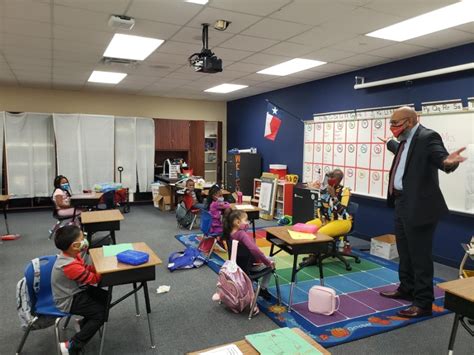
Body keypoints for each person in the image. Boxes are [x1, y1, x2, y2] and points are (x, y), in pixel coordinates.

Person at [379, 106, 467, 318]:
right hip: (401, 204)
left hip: (420, 207)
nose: (393, 128)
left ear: (410, 121)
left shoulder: (428, 136)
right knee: (405, 252)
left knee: (420, 257)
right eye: (390, 124)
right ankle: (406, 288)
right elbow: (409, 159)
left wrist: (449, 162)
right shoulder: (403, 140)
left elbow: (441, 159)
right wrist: (390, 144)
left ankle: (423, 303)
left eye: (396, 124)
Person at [52, 225, 107, 354]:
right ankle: (72, 345)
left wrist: (97, 267)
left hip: (75, 291)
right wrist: (104, 268)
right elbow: (93, 279)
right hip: (68, 300)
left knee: (105, 297)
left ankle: (83, 324)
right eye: (82, 238)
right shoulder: (70, 265)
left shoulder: (73, 255)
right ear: (75, 246)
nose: (85, 240)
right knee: (100, 314)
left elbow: (85, 268)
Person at [300, 169, 352, 267]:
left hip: (343, 221)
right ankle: (313, 253)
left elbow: (342, 212)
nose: (330, 180)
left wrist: (333, 196)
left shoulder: (345, 191)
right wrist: (322, 218)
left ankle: (314, 257)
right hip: (328, 219)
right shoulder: (324, 189)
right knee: (307, 226)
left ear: (339, 180)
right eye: (330, 177)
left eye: (333, 178)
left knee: (320, 233)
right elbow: (320, 206)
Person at [223, 210, 275, 305]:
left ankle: (256, 286)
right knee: (272, 260)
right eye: (246, 220)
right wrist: (267, 262)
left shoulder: (228, 233)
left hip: (235, 268)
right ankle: (263, 288)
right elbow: (255, 250)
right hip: (247, 268)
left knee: (266, 259)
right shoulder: (241, 234)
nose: (248, 223)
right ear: (237, 222)